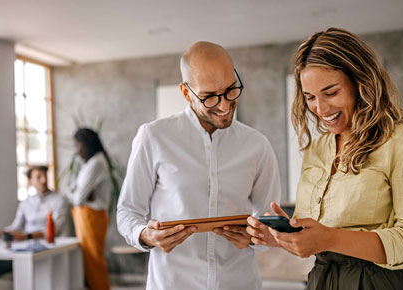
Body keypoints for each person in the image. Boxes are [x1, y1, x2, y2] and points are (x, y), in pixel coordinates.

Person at [246, 27, 403, 289]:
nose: (320, 108)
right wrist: (283, 236)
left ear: (361, 83)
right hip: (323, 278)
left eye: (331, 93)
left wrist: (329, 239)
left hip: (384, 282)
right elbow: (319, 234)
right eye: (310, 98)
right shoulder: (316, 149)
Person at [117, 41, 281, 290]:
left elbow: (269, 218)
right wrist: (146, 235)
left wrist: (258, 235)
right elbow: (127, 211)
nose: (225, 106)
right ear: (186, 93)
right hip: (173, 283)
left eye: (230, 90)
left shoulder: (257, 145)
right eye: (209, 97)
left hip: (239, 282)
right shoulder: (153, 137)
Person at [0, 165, 67, 290]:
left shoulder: (58, 200)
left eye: (45, 176)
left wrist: (26, 236)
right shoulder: (25, 203)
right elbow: (16, 227)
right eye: (38, 177)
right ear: (30, 181)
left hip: (45, 252)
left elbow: (55, 230)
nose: (43, 180)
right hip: (22, 251)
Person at [66, 128, 114, 290]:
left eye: (77, 145)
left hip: (91, 216)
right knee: (89, 260)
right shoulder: (90, 164)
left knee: (93, 260)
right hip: (86, 216)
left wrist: (75, 194)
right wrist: (77, 193)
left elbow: (77, 197)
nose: (76, 150)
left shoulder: (96, 163)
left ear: (86, 144)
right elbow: (75, 191)